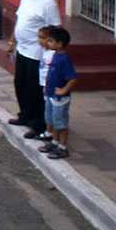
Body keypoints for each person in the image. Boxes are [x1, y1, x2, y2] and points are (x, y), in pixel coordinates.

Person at [5, 0, 62, 139]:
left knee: (34, 89)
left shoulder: (47, 3)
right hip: (22, 49)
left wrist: (50, 49)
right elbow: (19, 20)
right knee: (20, 83)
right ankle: (25, 115)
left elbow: (55, 28)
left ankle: (38, 124)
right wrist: (11, 41)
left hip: (37, 53)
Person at [37, 26, 77, 160]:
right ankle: (54, 142)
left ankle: (63, 147)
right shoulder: (55, 56)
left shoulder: (64, 60)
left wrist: (63, 90)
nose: (47, 43)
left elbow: (72, 79)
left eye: (50, 41)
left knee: (61, 123)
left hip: (59, 98)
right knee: (52, 120)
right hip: (50, 94)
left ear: (59, 44)